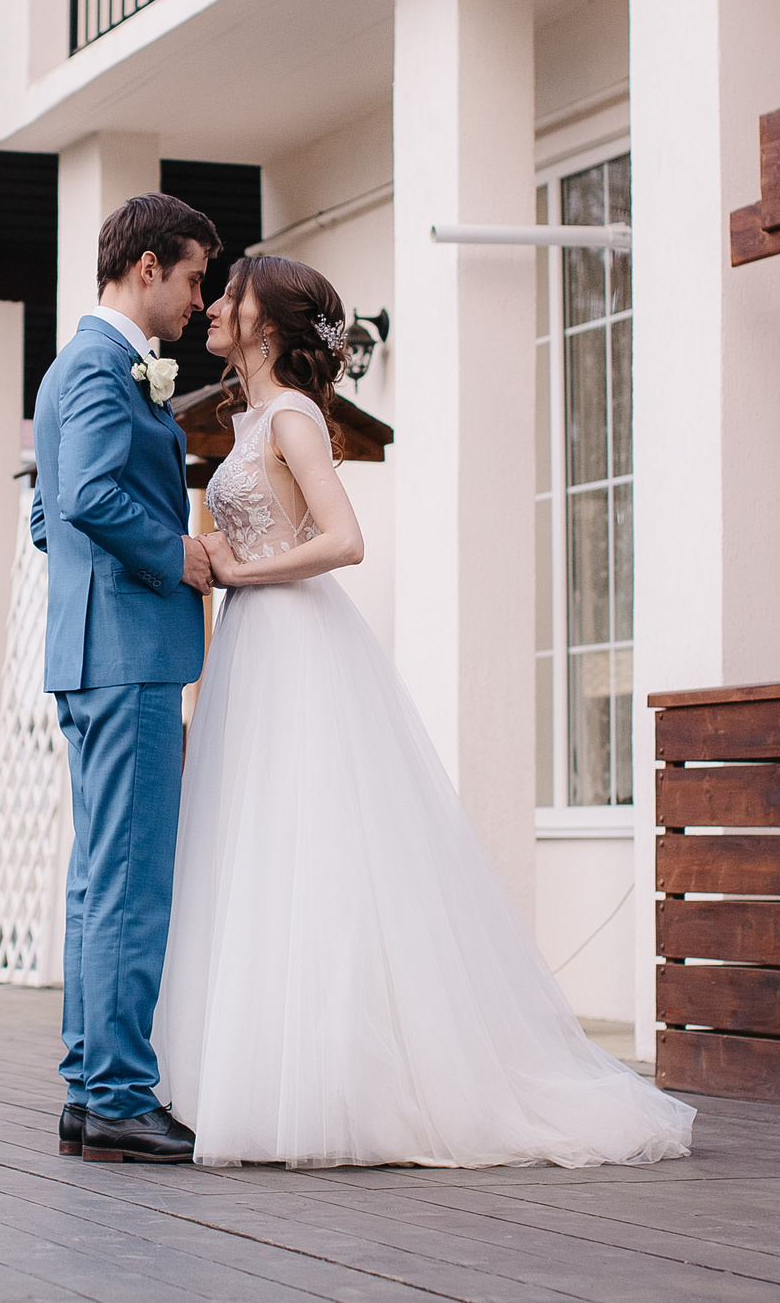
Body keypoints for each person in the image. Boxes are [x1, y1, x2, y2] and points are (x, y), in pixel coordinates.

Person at [154, 254, 697, 1169]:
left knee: (311, 852)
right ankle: (248, 1072)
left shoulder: (291, 417)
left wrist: (240, 568)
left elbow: (345, 538)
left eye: (231, 294)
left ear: (270, 326)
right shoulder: (251, 420)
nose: (214, 306)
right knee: (253, 848)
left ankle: (330, 1083)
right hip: (252, 647)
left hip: (294, 645)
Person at [30, 192, 221, 1165]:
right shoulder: (106, 366)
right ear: (146, 267)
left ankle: (86, 1088)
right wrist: (178, 555)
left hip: (89, 651)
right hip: (128, 654)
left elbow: (48, 515)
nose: (198, 300)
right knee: (131, 884)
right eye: (192, 278)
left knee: (99, 880)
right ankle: (116, 1095)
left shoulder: (73, 371)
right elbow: (96, 495)